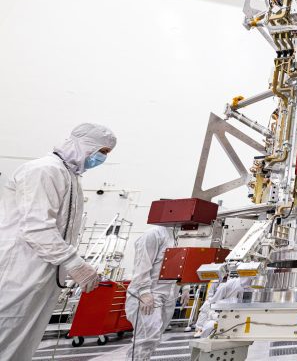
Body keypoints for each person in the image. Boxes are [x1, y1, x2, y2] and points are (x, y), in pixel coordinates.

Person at [0, 123, 116, 360]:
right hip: (19, 272)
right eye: (102, 151)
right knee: (6, 334)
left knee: (21, 344)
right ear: (85, 144)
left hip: (43, 275)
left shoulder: (70, 176)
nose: (102, 158)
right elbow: (36, 228)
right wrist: (74, 263)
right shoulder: (44, 170)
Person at [125, 225, 177, 361]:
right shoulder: (154, 233)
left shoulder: (176, 235)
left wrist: (186, 288)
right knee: (145, 340)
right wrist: (144, 292)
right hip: (148, 295)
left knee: (153, 339)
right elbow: (142, 264)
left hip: (167, 296)